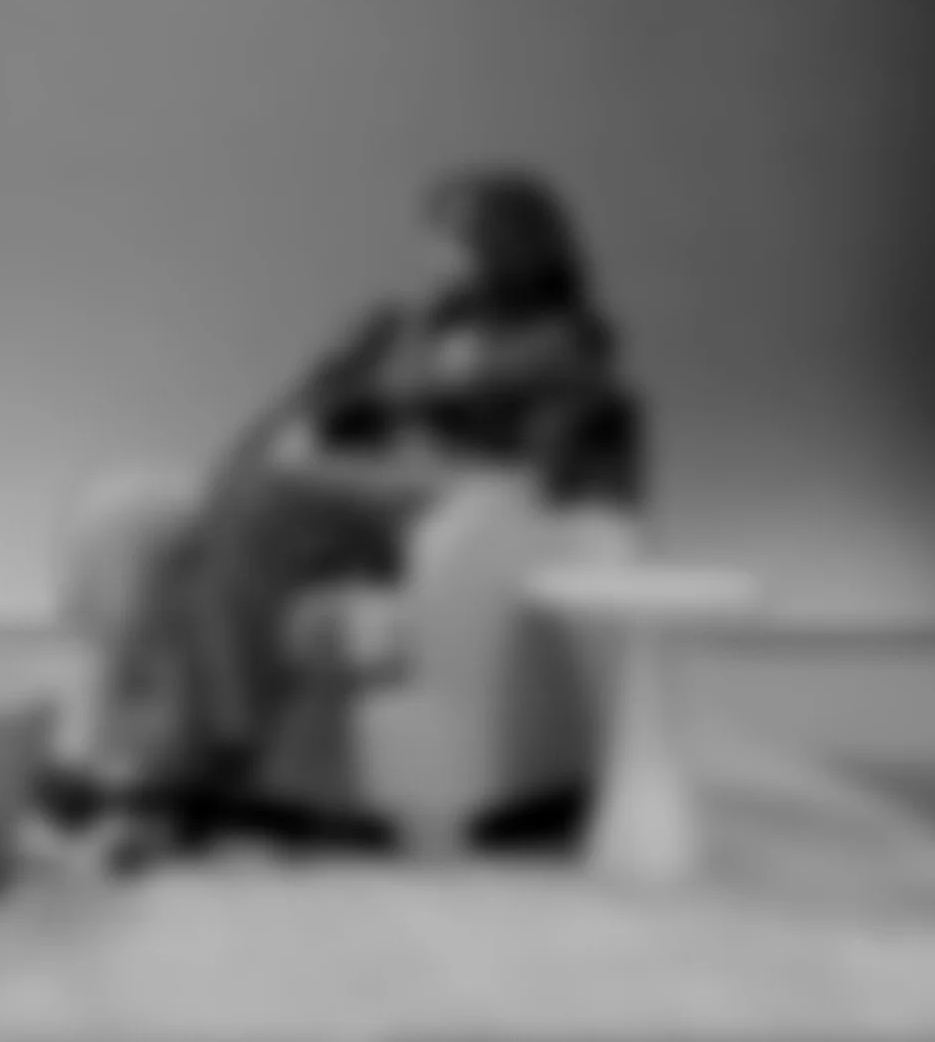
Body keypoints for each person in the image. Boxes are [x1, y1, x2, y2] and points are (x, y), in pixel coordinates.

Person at [53, 167, 646, 867]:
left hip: (447, 507)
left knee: (267, 500)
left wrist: (405, 424)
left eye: (455, 238)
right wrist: (334, 390)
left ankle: (203, 761)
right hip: (346, 493)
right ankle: (128, 759)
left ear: (510, 246)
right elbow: (311, 402)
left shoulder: (559, 343)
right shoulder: (404, 324)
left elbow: (549, 474)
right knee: (204, 528)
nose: (436, 254)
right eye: (437, 237)